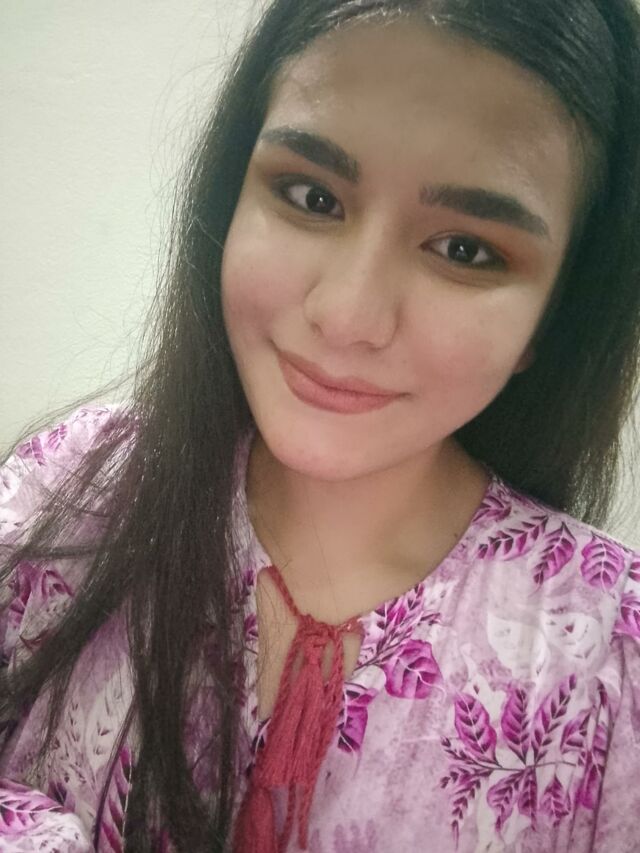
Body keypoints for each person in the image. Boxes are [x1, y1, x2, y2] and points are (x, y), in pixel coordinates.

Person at [1, 0, 640, 850]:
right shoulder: (69, 488)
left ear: (554, 316)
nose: (346, 315)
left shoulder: (612, 655)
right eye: (312, 196)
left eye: (466, 250)